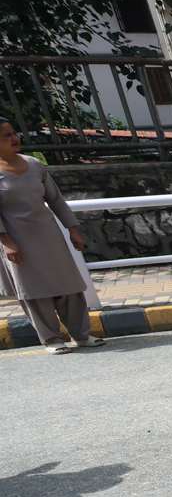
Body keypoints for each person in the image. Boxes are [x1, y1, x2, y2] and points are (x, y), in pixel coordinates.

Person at [0, 116, 97, 353]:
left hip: (48, 234)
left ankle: (81, 335)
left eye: (14, 132)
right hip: (16, 239)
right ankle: (51, 340)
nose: (15, 138)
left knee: (68, 284)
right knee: (33, 290)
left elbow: (55, 199)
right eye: (6, 135)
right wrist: (7, 243)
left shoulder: (34, 164)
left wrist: (72, 229)